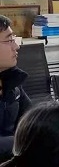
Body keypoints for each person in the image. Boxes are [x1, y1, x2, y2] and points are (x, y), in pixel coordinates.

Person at [0, 15, 30, 159]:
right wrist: (26, 141)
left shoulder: (11, 80)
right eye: (9, 40)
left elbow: (32, 117)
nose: (16, 47)